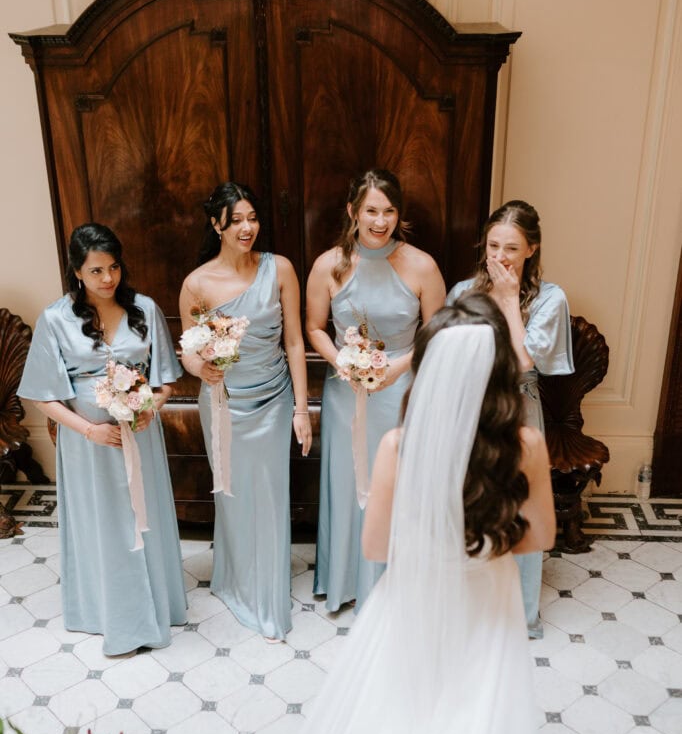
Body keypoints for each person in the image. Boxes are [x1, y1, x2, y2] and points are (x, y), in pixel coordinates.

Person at [186, 292, 560, 734]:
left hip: (412, 604)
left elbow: (376, 548)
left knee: (400, 729)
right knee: (475, 732)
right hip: (488, 606)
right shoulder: (524, 443)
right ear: (498, 366)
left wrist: (436, 536)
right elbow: (540, 537)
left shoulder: (399, 444)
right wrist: (479, 545)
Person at [18, 223, 187, 656]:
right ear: (77, 272)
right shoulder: (55, 319)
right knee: (102, 522)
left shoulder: (144, 309)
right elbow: (41, 395)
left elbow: (166, 380)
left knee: (142, 516)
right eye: (96, 271)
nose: (108, 278)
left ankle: (156, 605)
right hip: (88, 444)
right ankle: (106, 612)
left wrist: (151, 405)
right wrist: (90, 429)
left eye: (113, 267)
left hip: (139, 437)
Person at [306, 168, 445, 612]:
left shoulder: (421, 265)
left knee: (395, 484)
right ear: (353, 211)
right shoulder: (329, 265)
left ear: (397, 213)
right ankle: (344, 581)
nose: (379, 221)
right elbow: (314, 328)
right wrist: (344, 363)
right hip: (347, 390)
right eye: (371, 210)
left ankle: (394, 584)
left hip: (401, 389)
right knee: (348, 485)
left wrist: (396, 367)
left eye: (388, 211)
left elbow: (437, 332)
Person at [179, 182, 311, 642]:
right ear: (217, 224)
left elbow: (294, 340)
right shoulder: (197, 283)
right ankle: (234, 579)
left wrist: (301, 408)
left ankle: (267, 596)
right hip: (223, 404)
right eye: (236, 220)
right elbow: (189, 352)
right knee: (232, 493)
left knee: (270, 496)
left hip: (273, 399)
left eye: (252, 218)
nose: (247, 227)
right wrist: (204, 368)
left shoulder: (281, 270)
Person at [448, 199, 573, 637]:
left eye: (512, 248)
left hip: (520, 406)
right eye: (493, 246)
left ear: (532, 249)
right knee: (472, 507)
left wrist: (505, 299)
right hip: (470, 407)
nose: (499, 257)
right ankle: (471, 607)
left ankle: (519, 614)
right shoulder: (463, 291)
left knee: (519, 507)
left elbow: (522, 360)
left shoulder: (550, 298)